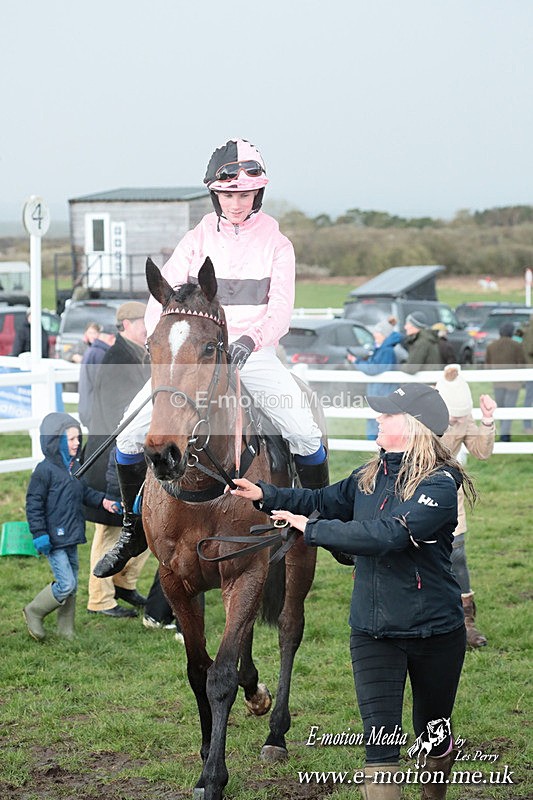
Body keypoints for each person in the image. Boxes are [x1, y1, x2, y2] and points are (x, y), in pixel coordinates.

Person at [93, 137, 328, 579]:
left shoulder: (278, 243)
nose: (236, 202)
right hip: (193, 356)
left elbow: (280, 310)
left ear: (258, 194)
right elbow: (160, 300)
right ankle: (132, 529)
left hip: (252, 354)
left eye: (244, 194)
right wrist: (161, 346)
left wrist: (249, 340)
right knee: (127, 437)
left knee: (305, 433)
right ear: (214, 194)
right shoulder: (196, 238)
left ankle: (322, 521)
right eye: (228, 194)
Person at [230, 384, 476, 799]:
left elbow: (390, 535)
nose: (377, 418)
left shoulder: (439, 486)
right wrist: (266, 495)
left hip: (435, 632)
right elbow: (319, 498)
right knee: (380, 748)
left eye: (387, 414)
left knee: (433, 732)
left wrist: (313, 529)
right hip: (372, 632)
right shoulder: (368, 476)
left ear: (413, 427)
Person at [83, 302, 152, 617]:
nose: (147, 328)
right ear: (126, 324)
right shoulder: (117, 359)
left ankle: (124, 583)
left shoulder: (140, 356)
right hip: (109, 456)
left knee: (144, 526)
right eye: (142, 322)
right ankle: (100, 599)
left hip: (132, 455)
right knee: (110, 531)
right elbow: (117, 414)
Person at [23, 412, 117, 640]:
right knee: (65, 584)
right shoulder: (44, 471)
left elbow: (83, 492)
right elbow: (33, 504)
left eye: (78, 438)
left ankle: (66, 629)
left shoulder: (75, 467)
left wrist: (103, 501)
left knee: (72, 584)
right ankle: (34, 611)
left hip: (72, 535)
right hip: (53, 539)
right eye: (71, 439)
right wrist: (40, 534)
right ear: (56, 441)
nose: (77, 443)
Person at [436, 365, 496, 648]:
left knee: (456, 551)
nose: (457, 422)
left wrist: (486, 421)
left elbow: (481, 452)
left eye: (461, 417)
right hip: (412, 490)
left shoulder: (464, 417)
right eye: (453, 416)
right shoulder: (417, 416)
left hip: (449, 490)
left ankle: (466, 622)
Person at [346, 318, 402, 439]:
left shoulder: (387, 351)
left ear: (384, 334)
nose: (374, 335)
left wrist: (356, 361)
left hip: (383, 393)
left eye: (377, 332)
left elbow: (374, 369)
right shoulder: (382, 349)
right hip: (378, 392)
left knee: (381, 424)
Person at [485, 322, 526, 442]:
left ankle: (504, 432)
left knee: (501, 407)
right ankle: (505, 434)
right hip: (513, 383)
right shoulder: (517, 346)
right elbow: (521, 364)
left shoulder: (491, 346)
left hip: (498, 382)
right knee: (509, 408)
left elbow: (487, 364)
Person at [77, 324, 117, 428]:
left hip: (89, 408)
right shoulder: (100, 354)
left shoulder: (93, 351)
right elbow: (103, 386)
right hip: (95, 412)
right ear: (111, 337)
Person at [520, 314, 533, 433]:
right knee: (529, 398)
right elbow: (530, 349)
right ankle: (527, 426)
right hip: (530, 369)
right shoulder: (530, 331)